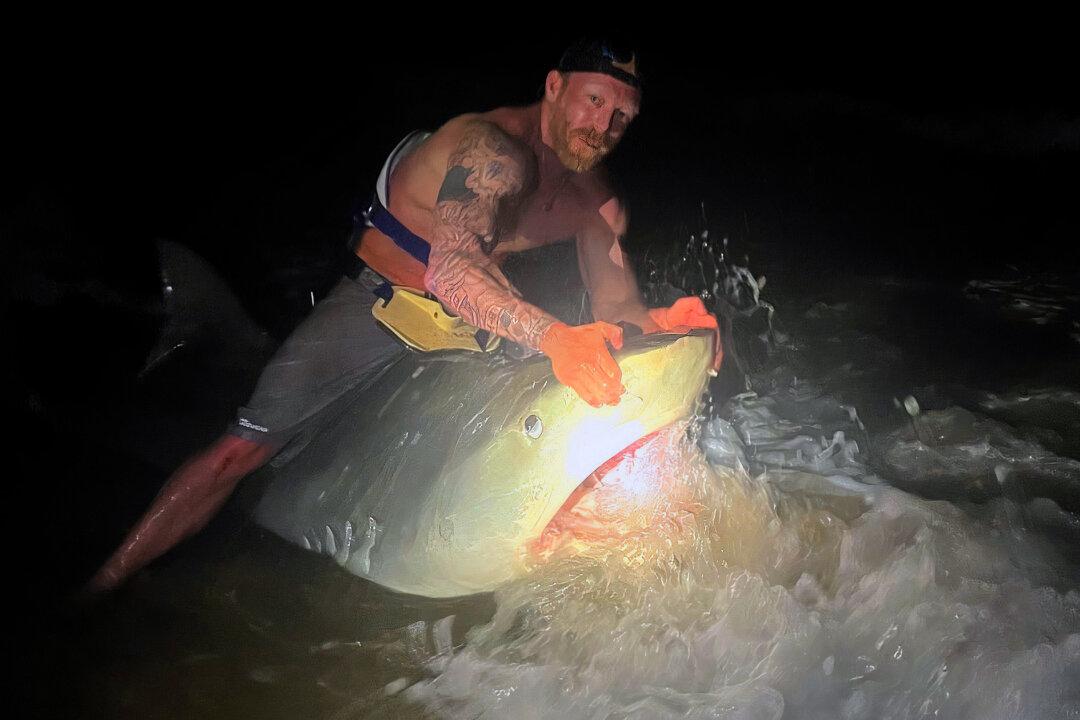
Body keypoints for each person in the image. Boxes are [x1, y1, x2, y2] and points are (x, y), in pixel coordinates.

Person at [86, 37, 721, 595]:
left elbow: (617, 306)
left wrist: (664, 322)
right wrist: (554, 336)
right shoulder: (492, 150)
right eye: (593, 100)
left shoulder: (597, 200)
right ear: (554, 87)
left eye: (621, 115)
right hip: (379, 305)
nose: (604, 125)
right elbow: (451, 273)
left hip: (467, 326)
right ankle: (100, 587)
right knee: (240, 451)